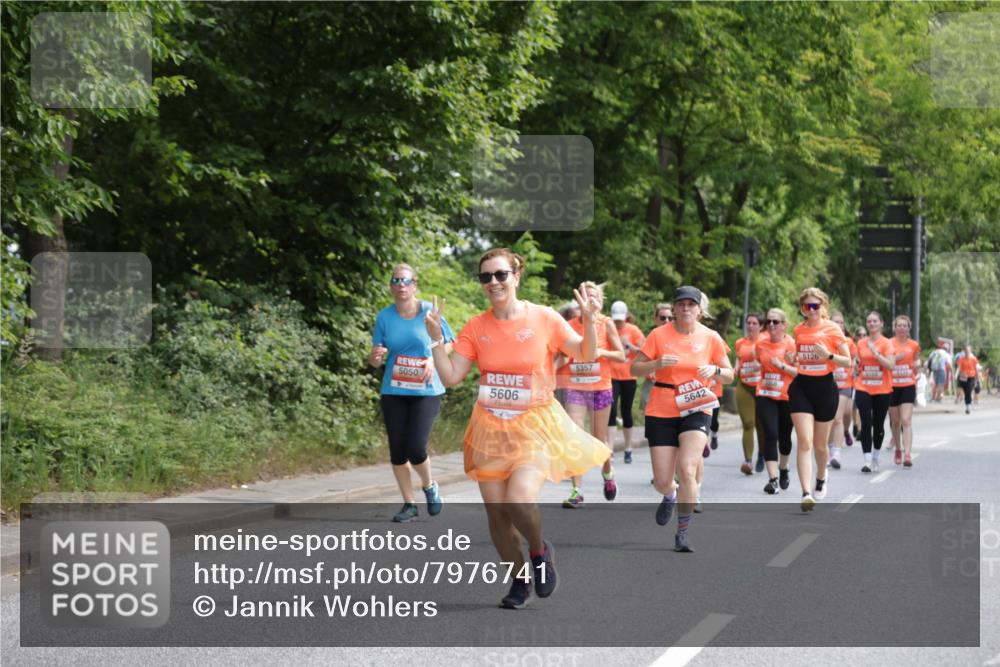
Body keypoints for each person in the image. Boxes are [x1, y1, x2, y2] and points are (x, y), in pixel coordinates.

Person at [425, 248, 611, 609]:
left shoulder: (543, 318)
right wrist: (435, 339)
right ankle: (520, 580)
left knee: (520, 499)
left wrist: (588, 321)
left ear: (516, 276)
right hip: (491, 427)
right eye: (485, 277)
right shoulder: (476, 327)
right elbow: (450, 377)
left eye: (500, 275)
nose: (493, 282)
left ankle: (540, 553)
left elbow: (585, 354)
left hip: (535, 424)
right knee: (497, 514)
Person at [631, 286, 734, 552]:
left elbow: (730, 374)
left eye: (691, 304)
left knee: (688, 468)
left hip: (697, 405)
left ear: (700, 309)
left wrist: (716, 369)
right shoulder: (658, 335)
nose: (686, 308)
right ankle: (670, 494)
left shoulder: (711, 337)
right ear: (674, 308)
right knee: (663, 479)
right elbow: (634, 367)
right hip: (662, 406)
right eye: (681, 304)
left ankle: (683, 532)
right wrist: (656, 364)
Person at [370, 264, 453, 523]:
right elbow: (376, 358)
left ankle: (429, 486)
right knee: (397, 451)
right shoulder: (385, 317)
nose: (401, 285)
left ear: (415, 285)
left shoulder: (429, 311)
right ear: (391, 286)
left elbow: (450, 344)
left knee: (416, 447)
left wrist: (432, 359)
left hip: (426, 390)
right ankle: (409, 504)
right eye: (396, 280)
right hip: (394, 390)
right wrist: (374, 356)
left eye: (406, 280)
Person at [558, 282, 624, 508]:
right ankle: (577, 491)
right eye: (585, 295)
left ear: (601, 301)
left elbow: (621, 356)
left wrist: (601, 352)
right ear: (578, 299)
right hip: (575, 386)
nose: (590, 299)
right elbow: (558, 353)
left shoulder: (606, 324)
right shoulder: (567, 325)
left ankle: (607, 472)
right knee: (575, 437)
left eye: (594, 296)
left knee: (598, 440)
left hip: (600, 387)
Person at [788, 288, 851, 511]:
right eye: (807, 306)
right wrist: (793, 357)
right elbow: (798, 355)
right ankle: (806, 492)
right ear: (802, 308)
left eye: (816, 305)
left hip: (825, 388)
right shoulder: (798, 330)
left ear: (823, 306)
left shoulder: (832, 329)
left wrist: (829, 356)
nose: (812, 310)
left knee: (820, 446)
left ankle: (821, 477)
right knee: (804, 441)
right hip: (801, 387)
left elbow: (848, 361)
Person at [754, 308, 798, 494]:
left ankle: (784, 468)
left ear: (784, 325)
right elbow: (759, 364)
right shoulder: (761, 344)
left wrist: (782, 366)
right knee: (770, 433)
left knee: (785, 437)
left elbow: (799, 373)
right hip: (765, 393)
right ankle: (772, 480)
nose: (771, 325)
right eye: (769, 321)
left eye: (775, 322)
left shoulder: (792, 345)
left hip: (787, 396)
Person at [855, 311, 895, 473]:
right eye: (869, 321)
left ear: (881, 324)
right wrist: (855, 366)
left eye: (874, 321)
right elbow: (860, 363)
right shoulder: (861, 343)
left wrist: (876, 353)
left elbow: (890, 366)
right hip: (863, 386)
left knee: (878, 425)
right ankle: (867, 460)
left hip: (882, 389)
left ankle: (876, 456)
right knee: (865, 423)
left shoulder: (886, 343)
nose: (871, 324)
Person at [608, 301, 645, 464]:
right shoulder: (607, 328)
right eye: (616, 319)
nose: (618, 323)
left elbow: (644, 351)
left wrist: (629, 345)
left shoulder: (633, 330)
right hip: (611, 375)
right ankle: (609, 450)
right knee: (611, 411)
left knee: (626, 411)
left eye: (620, 320)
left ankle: (628, 447)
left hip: (629, 376)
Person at [733, 313, 767, 474]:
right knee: (748, 423)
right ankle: (748, 461)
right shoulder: (740, 342)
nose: (751, 326)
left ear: (761, 326)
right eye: (749, 323)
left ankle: (762, 454)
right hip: (744, 385)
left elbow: (769, 361)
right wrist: (736, 368)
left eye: (754, 323)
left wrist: (758, 366)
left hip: (762, 386)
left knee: (761, 425)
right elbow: (738, 359)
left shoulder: (766, 341)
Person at [888, 315, 921, 467]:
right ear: (895, 328)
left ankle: (908, 454)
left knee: (906, 420)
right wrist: (895, 358)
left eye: (904, 325)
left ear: (909, 328)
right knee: (895, 421)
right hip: (892, 385)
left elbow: (916, 362)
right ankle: (898, 449)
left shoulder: (914, 345)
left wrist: (917, 366)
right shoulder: (888, 344)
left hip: (908, 384)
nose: (901, 328)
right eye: (899, 325)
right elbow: (884, 363)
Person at [828, 310, 857, 469]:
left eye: (841, 322)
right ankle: (829, 449)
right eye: (835, 322)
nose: (839, 325)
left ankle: (837, 452)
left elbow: (853, 360)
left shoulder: (849, 342)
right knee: (829, 420)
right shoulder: (826, 340)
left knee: (838, 417)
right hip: (827, 385)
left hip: (844, 384)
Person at [639, 303, 673, 412]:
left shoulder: (680, 337)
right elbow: (638, 366)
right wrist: (650, 370)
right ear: (655, 319)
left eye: (670, 318)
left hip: (675, 385)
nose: (666, 320)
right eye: (663, 318)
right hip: (653, 384)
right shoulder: (650, 338)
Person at [956, 345, 979, 414]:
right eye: (966, 351)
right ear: (964, 351)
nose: (967, 352)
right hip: (963, 377)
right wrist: (958, 374)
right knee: (961, 388)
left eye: (968, 351)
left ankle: (967, 406)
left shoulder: (974, 359)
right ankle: (960, 399)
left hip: (971, 377)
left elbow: (976, 369)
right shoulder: (961, 359)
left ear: (970, 351)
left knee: (968, 392)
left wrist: (977, 378)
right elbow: (959, 368)